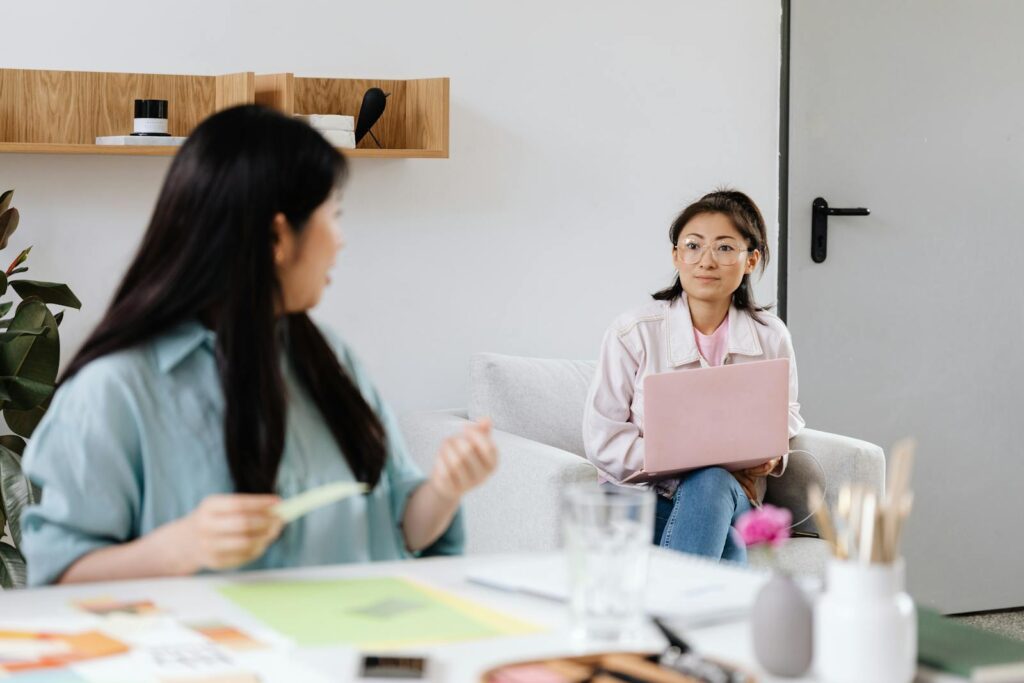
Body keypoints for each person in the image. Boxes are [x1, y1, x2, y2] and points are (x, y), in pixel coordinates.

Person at [21, 105, 497, 586]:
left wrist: (445, 487)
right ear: (277, 237)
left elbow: (400, 529)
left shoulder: (329, 359)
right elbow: (58, 581)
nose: (341, 240)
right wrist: (180, 547)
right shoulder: (114, 390)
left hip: (352, 649)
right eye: (333, 215)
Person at [582, 189, 804, 563]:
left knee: (712, 481)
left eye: (724, 248)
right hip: (640, 496)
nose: (706, 261)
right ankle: (713, 616)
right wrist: (689, 459)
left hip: (731, 494)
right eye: (693, 246)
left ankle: (666, 613)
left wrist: (770, 455)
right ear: (676, 256)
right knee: (730, 545)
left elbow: (788, 412)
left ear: (750, 260)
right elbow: (603, 441)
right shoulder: (632, 332)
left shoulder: (771, 335)